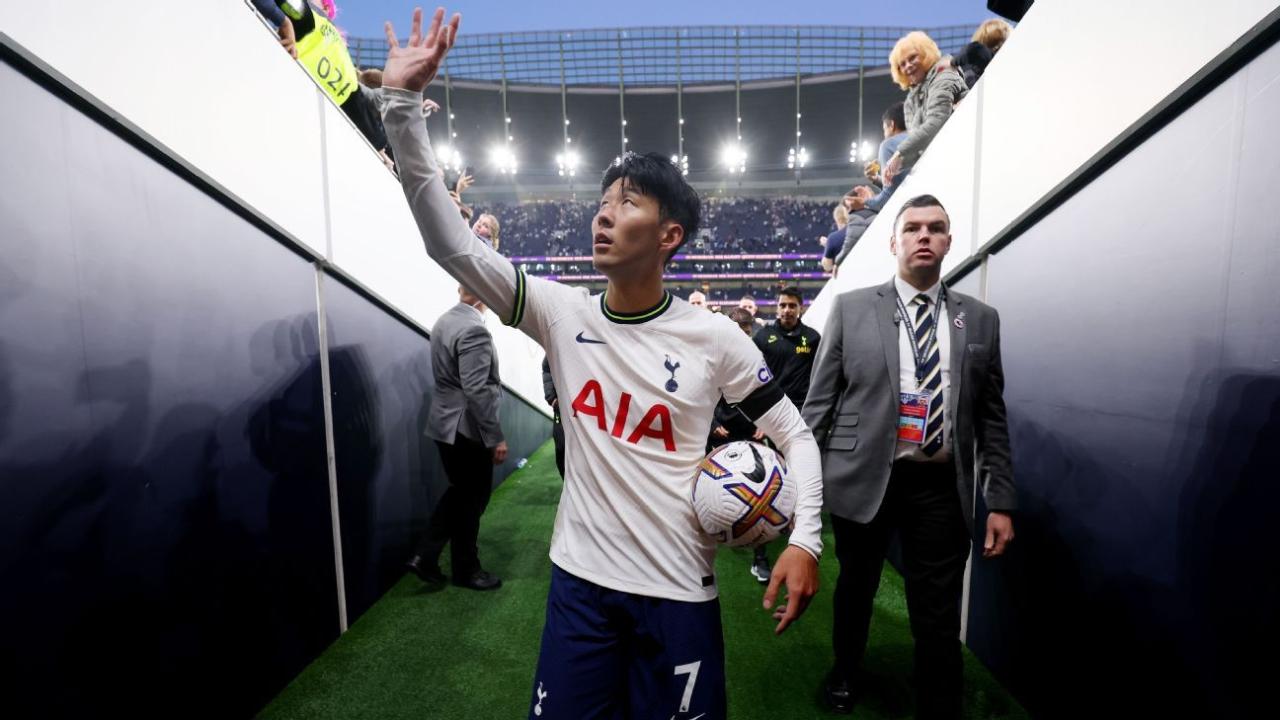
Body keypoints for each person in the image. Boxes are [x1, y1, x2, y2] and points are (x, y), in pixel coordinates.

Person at [379, 9, 822, 719]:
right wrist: (401, 109)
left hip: (679, 592)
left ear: (669, 234)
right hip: (579, 587)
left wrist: (805, 539)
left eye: (628, 203)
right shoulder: (561, 312)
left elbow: (795, 436)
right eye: (603, 202)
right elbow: (451, 245)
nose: (604, 215)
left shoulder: (717, 338)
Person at [803, 194, 1016, 718]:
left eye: (936, 228)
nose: (925, 236)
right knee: (855, 588)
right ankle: (846, 670)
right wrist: (802, 489)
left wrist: (1001, 502)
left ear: (949, 241)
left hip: (941, 484)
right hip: (862, 476)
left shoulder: (981, 319)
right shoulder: (852, 307)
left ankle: (938, 695)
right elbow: (820, 405)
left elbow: (991, 417)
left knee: (937, 606)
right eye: (913, 228)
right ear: (893, 242)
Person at [406, 286, 509, 591]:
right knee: (472, 499)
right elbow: (476, 389)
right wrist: (495, 437)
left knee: (462, 494)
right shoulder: (474, 330)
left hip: (443, 425)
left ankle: (426, 556)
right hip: (466, 428)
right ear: (483, 297)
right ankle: (464, 569)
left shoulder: (444, 321)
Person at [750, 286, 822, 585]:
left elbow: (820, 379)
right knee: (766, 489)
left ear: (800, 308)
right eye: (782, 305)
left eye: (792, 305)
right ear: (776, 307)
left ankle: (798, 546)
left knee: (799, 486)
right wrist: (759, 420)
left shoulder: (813, 339)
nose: (787, 310)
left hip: (802, 423)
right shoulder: (763, 337)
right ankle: (760, 557)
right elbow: (751, 377)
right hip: (769, 421)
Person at [882, 32, 968, 185]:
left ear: (925, 54)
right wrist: (890, 171)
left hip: (962, 155)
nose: (907, 66)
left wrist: (899, 154)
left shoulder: (945, 73)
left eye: (912, 57)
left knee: (888, 147)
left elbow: (937, 121)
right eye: (902, 64)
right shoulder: (910, 101)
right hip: (939, 167)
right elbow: (918, 147)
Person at [542, 356, 565, 478]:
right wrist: (551, 398)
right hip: (560, 412)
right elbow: (546, 367)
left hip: (583, 410)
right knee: (561, 447)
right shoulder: (558, 344)